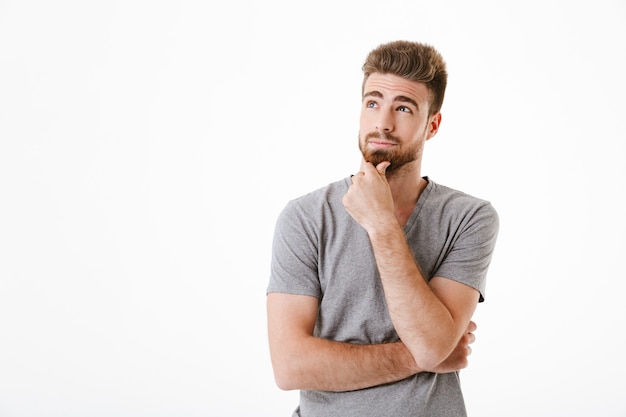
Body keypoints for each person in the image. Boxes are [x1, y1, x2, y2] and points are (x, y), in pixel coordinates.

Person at [266, 40, 499, 417]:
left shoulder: (469, 218)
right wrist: (421, 356)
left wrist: (381, 223)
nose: (383, 123)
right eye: (373, 103)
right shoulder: (305, 217)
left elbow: (431, 344)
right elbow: (290, 366)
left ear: (432, 124)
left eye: (403, 108)